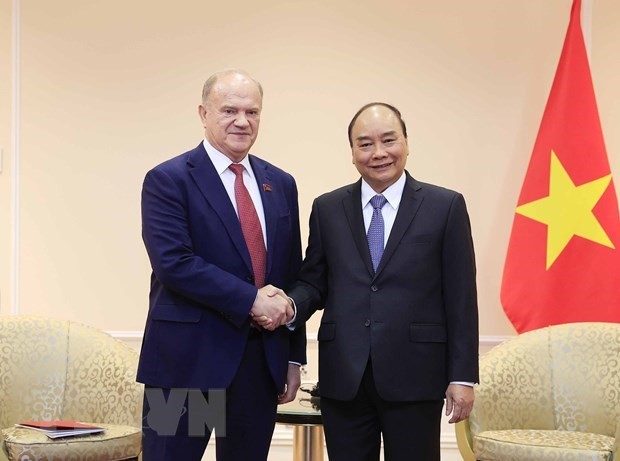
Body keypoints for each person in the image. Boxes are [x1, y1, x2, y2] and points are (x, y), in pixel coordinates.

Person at [286, 102, 479, 460]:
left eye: (388, 140)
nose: (378, 153)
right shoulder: (328, 208)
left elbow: (461, 297)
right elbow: (314, 281)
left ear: (406, 143)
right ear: (352, 153)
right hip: (344, 375)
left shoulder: (445, 206)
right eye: (365, 144)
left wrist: (463, 376)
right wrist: (290, 305)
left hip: (416, 374)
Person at [136, 69, 305, 461]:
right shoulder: (169, 179)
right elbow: (174, 264)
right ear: (204, 113)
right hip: (186, 370)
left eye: (252, 112)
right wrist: (252, 300)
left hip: (258, 367)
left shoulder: (281, 183)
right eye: (230, 110)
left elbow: (289, 274)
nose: (242, 121)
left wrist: (293, 357)